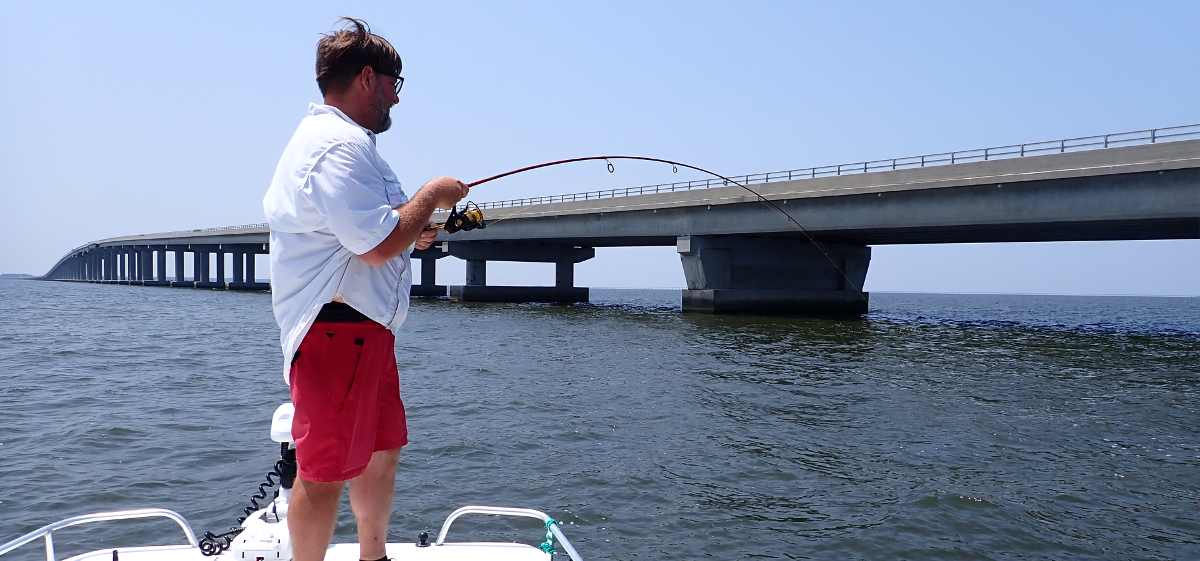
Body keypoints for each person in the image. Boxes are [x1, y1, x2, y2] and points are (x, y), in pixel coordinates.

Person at [262, 17, 468, 561]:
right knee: (324, 470)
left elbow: (384, 229)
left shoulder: (352, 146)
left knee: (382, 450)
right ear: (368, 78)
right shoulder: (336, 148)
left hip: (365, 333)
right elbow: (376, 244)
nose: (395, 101)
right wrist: (431, 195)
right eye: (394, 86)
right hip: (335, 334)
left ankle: (373, 556)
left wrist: (415, 227)